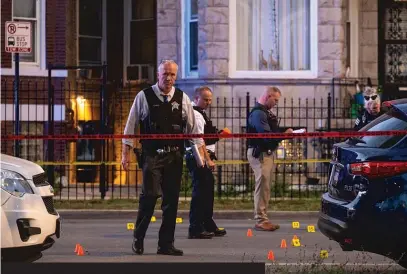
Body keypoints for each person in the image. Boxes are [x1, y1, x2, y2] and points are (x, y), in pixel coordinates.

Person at [121, 60, 202, 256]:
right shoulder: (144, 96)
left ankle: (165, 244)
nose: (169, 78)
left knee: (171, 201)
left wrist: (202, 158)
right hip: (152, 156)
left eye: (173, 74)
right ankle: (138, 239)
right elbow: (130, 127)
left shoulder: (182, 98)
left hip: (174, 155)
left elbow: (193, 131)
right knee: (149, 197)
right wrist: (125, 155)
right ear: (158, 75)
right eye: (165, 73)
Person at [246, 86, 293, 231]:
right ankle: (261, 219)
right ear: (268, 96)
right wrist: (284, 135)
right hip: (260, 153)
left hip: (264, 153)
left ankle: (262, 217)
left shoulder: (264, 112)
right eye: (276, 100)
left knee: (265, 187)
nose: (276, 103)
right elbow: (266, 136)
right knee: (263, 186)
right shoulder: (259, 113)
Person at [185, 86, 227, 239]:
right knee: (201, 193)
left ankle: (207, 223)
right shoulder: (196, 114)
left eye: (210, 99)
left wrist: (217, 135)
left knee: (207, 192)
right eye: (205, 99)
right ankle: (195, 227)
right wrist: (207, 160)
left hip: (202, 156)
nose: (208, 102)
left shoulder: (200, 113)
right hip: (199, 157)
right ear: (196, 98)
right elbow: (198, 139)